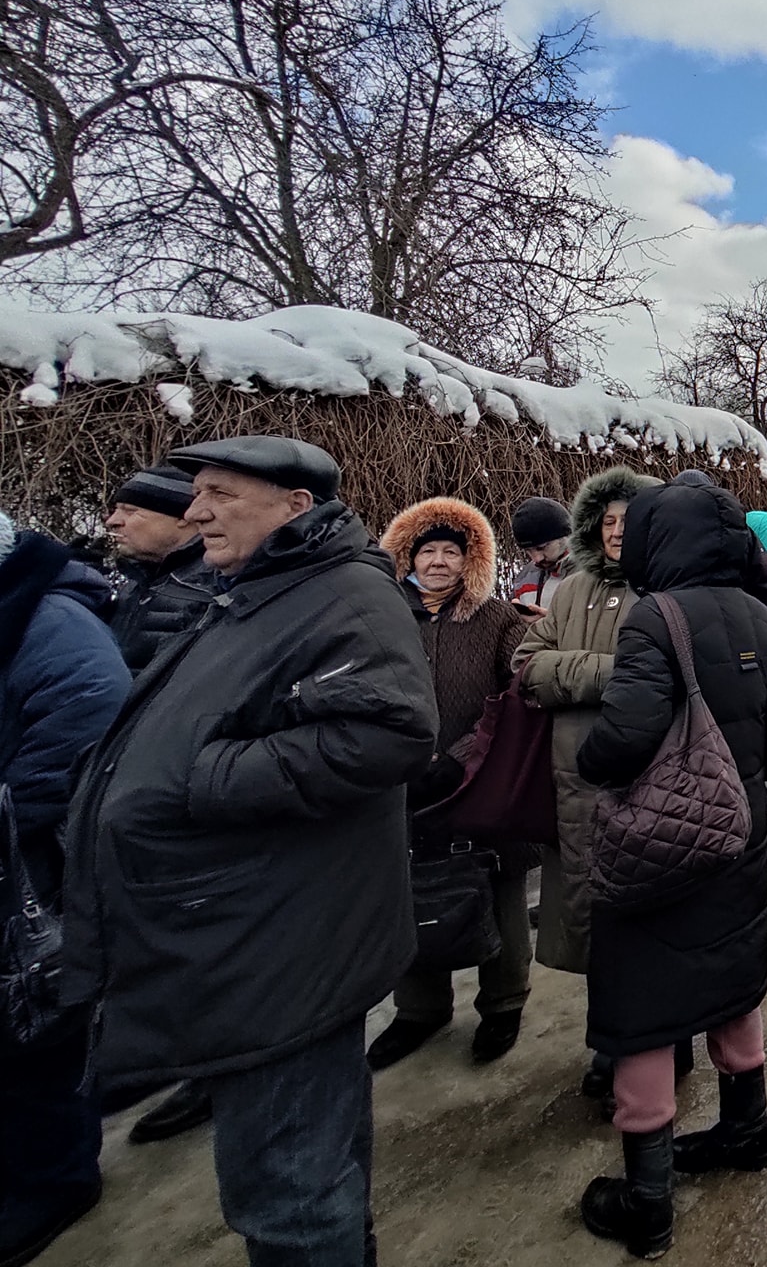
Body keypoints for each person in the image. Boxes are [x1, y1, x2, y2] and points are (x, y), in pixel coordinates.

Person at [63, 436, 435, 1267]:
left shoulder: (340, 593)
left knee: (290, 1196)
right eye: (197, 493)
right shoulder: (260, 587)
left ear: (295, 506)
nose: (196, 511)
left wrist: (201, 777)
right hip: (255, 931)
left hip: (285, 952)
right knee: (304, 1171)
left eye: (221, 493)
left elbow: (392, 729)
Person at [573, 476, 767, 1259]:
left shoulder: (655, 615)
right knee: (732, 977)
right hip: (741, 831)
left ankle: (649, 1201)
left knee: (643, 1005)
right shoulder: (754, 611)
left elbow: (627, 734)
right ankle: (747, 1130)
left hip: (666, 846)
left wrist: (590, 761)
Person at [0, 513, 129, 1265]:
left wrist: (15, 811)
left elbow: (89, 719)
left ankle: (55, 1175)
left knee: (37, 1020)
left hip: (31, 863)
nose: (115, 520)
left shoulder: (49, 622)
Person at [369, 498, 535, 1071]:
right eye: (428, 550)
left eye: (452, 551)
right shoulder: (382, 615)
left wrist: (463, 755)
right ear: (407, 555)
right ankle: (419, 1009)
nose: (439, 561)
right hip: (400, 780)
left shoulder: (494, 619)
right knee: (406, 891)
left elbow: (518, 692)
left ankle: (504, 1003)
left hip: (478, 779)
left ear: (471, 561)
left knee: (500, 889)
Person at [515, 464, 662, 1103]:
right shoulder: (569, 592)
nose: (617, 532)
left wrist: (571, 674)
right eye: (608, 522)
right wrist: (609, 672)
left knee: (644, 914)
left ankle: (655, 1038)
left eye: (630, 522)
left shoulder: (660, 590)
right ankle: (609, 1038)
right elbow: (527, 667)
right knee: (588, 912)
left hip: (641, 775)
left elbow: (659, 674)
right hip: (571, 779)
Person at [101, 466, 224, 1147]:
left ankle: (206, 1064)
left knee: (190, 933)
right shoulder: (133, 585)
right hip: (125, 788)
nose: (114, 522)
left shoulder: (209, 591)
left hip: (176, 792)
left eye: (129, 510)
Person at [103, 463, 216, 672]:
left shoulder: (212, 587)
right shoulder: (138, 583)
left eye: (130, 511)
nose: (113, 521)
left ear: (184, 517)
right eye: (116, 510)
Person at [508, 495, 577, 617]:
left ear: (565, 536)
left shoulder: (594, 573)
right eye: (528, 551)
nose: (536, 559)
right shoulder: (524, 577)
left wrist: (550, 626)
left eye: (542, 548)